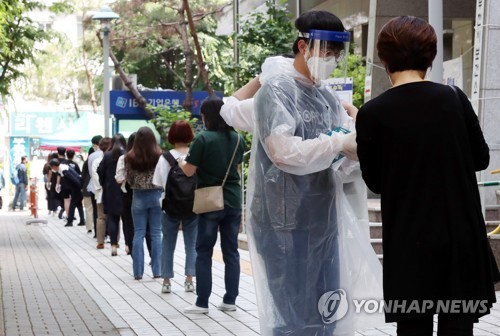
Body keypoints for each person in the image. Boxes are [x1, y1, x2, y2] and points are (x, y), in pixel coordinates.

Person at [236, 10, 382, 335]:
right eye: (325, 51)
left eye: (335, 54)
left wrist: (352, 150)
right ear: (303, 46)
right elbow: (283, 153)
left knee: (325, 312)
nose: (330, 59)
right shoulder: (275, 91)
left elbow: (343, 160)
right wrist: (338, 143)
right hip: (281, 222)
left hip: (322, 220)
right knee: (291, 316)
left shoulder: (328, 100)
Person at [355, 16, 500, 336]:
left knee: (413, 329)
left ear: (384, 58)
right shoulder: (454, 99)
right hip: (459, 238)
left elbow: (376, 183)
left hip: (408, 244)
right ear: (430, 57)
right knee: (458, 326)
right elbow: (480, 158)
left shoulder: (372, 114)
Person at [179, 97, 245, 314]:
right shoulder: (237, 138)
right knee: (231, 252)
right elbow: (235, 167)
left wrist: (181, 161)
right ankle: (230, 300)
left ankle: (202, 302)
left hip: (210, 199)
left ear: (207, 116)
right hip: (233, 200)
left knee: (204, 251)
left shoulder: (203, 139)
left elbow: (189, 171)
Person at [153, 120, 198, 294]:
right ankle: (189, 280)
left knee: (168, 242)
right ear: (190, 136)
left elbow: (158, 183)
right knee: (191, 243)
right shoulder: (195, 155)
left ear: (171, 136)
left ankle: (166, 281)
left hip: (169, 206)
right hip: (193, 205)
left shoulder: (165, 158)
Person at [125, 127, 162, 280]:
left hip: (138, 196)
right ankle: (157, 271)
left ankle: (138, 272)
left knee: (138, 233)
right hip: (156, 195)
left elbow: (128, 179)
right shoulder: (159, 156)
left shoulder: (130, 157)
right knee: (156, 233)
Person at [98, 133, 126, 256]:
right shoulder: (128, 154)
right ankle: (128, 246)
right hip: (125, 192)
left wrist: (104, 184)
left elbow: (100, 172)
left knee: (112, 219)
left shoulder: (107, 155)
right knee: (127, 220)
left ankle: (113, 246)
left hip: (110, 192)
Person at [49, 158, 84, 227]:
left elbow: (73, 179)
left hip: (76, 187)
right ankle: (82, 220)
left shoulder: (64, 170)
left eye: (51, 167)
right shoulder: (62, 167)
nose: (52, 169)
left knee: (72, 205)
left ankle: (70, 221)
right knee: (79, 204)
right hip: (77, 186)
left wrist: (80, 187)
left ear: (54, 166)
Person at [90, 137, 111, 249]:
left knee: (101, 217)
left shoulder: (96, 161)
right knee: (114, 217)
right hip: (112, 193)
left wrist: (100, 189)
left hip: (100, 193)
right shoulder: (115, 159)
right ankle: (115, 241)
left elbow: (95, 178)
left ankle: (100, 241)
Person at [81, 148, 95, 233]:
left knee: (88, 208)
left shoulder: (86, 162)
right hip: (96, 187)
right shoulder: (101, 159)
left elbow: (83, 176)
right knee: (97, 209)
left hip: (87, 187)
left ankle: (89, 227)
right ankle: (96, 226)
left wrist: (82, 187)